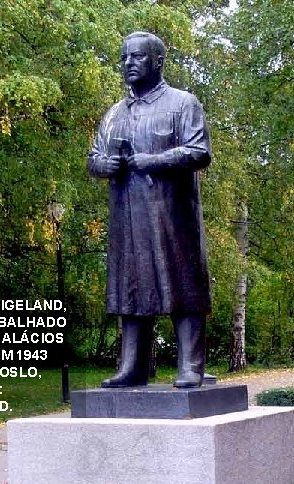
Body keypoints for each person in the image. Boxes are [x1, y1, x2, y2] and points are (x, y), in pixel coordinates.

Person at [87, 31, 212, 388]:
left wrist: (152, 161)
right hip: (128, 216)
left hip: (173, 217)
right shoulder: (114, 113)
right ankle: (133, 367)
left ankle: (191, 366)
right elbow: (94, 157)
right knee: (131, 288)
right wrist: (103, 165)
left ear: (158, 62)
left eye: (137, 57)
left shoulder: (182, 103)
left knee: (183, 285)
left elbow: (199, 152)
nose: (128, 64)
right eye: (124, 57)